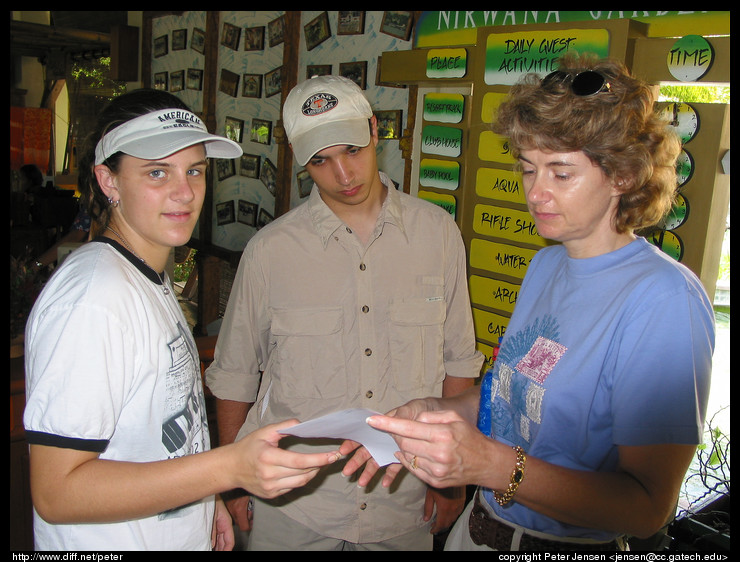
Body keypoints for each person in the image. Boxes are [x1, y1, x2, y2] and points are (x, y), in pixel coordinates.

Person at [358, 53, 716, 551]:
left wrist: (486, 463)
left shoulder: (664, 300)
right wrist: (439, 409)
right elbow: (511, 398)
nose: (537, 193)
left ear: (624, 176)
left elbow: (646, 508)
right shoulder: (547, 264)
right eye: (529, 169)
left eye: (561, 173)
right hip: (479, 530)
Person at [23, 89, 342, 551]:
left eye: (194, 170)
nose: (185, 192)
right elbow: (57, 493)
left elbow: (161, 435)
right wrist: (228, 469)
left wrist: (204, 496)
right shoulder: (94, 300)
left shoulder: (148, 275)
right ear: (108, 181)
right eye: (157, 172)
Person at [205, 75, 483, 551]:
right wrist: (233, 481)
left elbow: (458, 364)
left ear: (375, 131)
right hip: (293, 506)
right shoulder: (270, 252)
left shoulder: (437, 234)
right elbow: (234, 377)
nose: (344, 174)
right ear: (300, 161)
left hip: (404, 498)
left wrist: (448, 480)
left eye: (352, 149)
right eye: (321, 160)